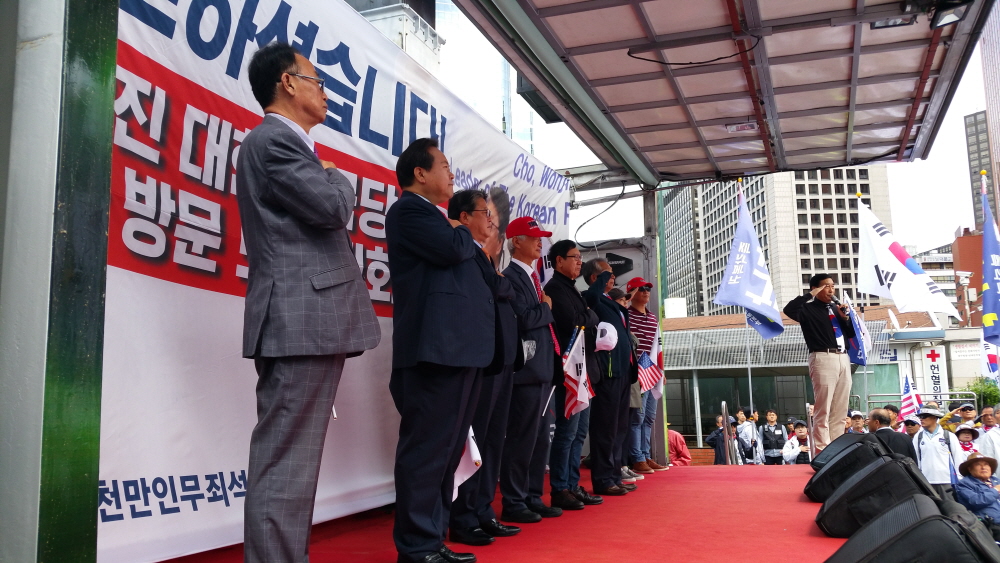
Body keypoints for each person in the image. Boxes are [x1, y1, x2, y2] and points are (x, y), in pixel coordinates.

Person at [237, 42, 382, 563]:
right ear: (288, 83)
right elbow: (330, 208)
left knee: (292, 465)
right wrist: (334, 174)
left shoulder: (283, 143)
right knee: (285, 466)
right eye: (317, 81)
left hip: (305, 323)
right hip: (298, 322)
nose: (325, 93)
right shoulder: (275, 140)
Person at [386, 138, 494, 563]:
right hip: (434, 352)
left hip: (459, 351)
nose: (452, 175)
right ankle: (416, 547)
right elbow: (452, 251)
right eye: (445, 167)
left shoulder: (436, 218)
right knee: (427, 451)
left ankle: (432, 540)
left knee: (447, 452)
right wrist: (461, 230)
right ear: (420, 173)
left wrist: (456, 231)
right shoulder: (409, 211)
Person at [500, 220, 597, 529]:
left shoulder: (533, 278)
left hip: (544, 370)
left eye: (541, 238)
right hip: (527, 371)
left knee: (539, 440)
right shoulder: (512, 276)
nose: (539, 242)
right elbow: (524, 319)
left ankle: (531, 496)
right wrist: (546, 307)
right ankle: (514, 502)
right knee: (522, 439)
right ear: (516, 242)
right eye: (534, 237)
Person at [448, 191, 524, 547]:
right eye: (485, 214)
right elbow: (498, 288)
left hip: (502, 359)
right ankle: (463, 516)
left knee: (493, 440)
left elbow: (504, 290)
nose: (491, 222)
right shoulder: (464, 252)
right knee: (475, 442)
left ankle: (483, 510)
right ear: (465, 218)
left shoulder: (485, 257)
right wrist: (498, 279)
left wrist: (499, 280)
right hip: (483, 360)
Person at [543, 241, 602, 511]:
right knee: (567, 433)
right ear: (558, 261)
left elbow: (586, 318)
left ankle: (573, 484)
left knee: (579, 433)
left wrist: (587, 316)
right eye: (575, 257)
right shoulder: (555, 288)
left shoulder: (572, 288)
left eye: (580, 257)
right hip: (569, 370)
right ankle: (560, 488)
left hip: (583, 370)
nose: (580, 261)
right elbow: (574, 322)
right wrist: (588, 316)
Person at [582, 258, 637, 495]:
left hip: (623, 372)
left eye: (613, 274)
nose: (613, 277)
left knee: (619, 427)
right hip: (608, 372)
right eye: (608, 274)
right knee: (605, 427)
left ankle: (615, 474)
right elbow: (591, 298)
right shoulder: (591, 297)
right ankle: (603, 479)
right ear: (595, 278)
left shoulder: (610, 301)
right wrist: (603, 276)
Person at [782, 274, 856, 451]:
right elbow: (788, 309)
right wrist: (810, 295)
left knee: (840, 407)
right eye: (826, 286)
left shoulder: (836, 308)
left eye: (833, 286)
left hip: (843, 356)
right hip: (823, 356)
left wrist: (845, 318)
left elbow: (851, 334)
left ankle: (837, 449)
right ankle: (823, 449)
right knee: (824, 407)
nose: (831, 290)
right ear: (815, 288)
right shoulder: (807, 309)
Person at [626, 276, 668, 474]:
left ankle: (644, 454)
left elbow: (658, 347)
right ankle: (637, 458)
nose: (645, 292)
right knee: (637, 416)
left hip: (652, 371)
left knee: (649, 417)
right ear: (632, 292)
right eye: (641, 289)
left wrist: (661, 371)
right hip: (636, 371)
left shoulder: (652, 318)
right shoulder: (626, 315)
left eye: (648, 289)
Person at [913, 407, 962, 501]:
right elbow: (917, 460)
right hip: (926, 481)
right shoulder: (918, 436)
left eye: (924, 416)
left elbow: (958, 458)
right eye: (920, 417)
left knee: (951, 507)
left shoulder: (949, 436)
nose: (921, 419)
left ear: (934, 418)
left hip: (947, 481)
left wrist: (959, 479)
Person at [954, 453, 1000, 541]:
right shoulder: (964, 484)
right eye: (978, 464)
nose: (983, 467)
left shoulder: (996, 480)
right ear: (970, 469)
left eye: (986, 464)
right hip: (990, 526)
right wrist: (995, 490)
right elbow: (976, 501)